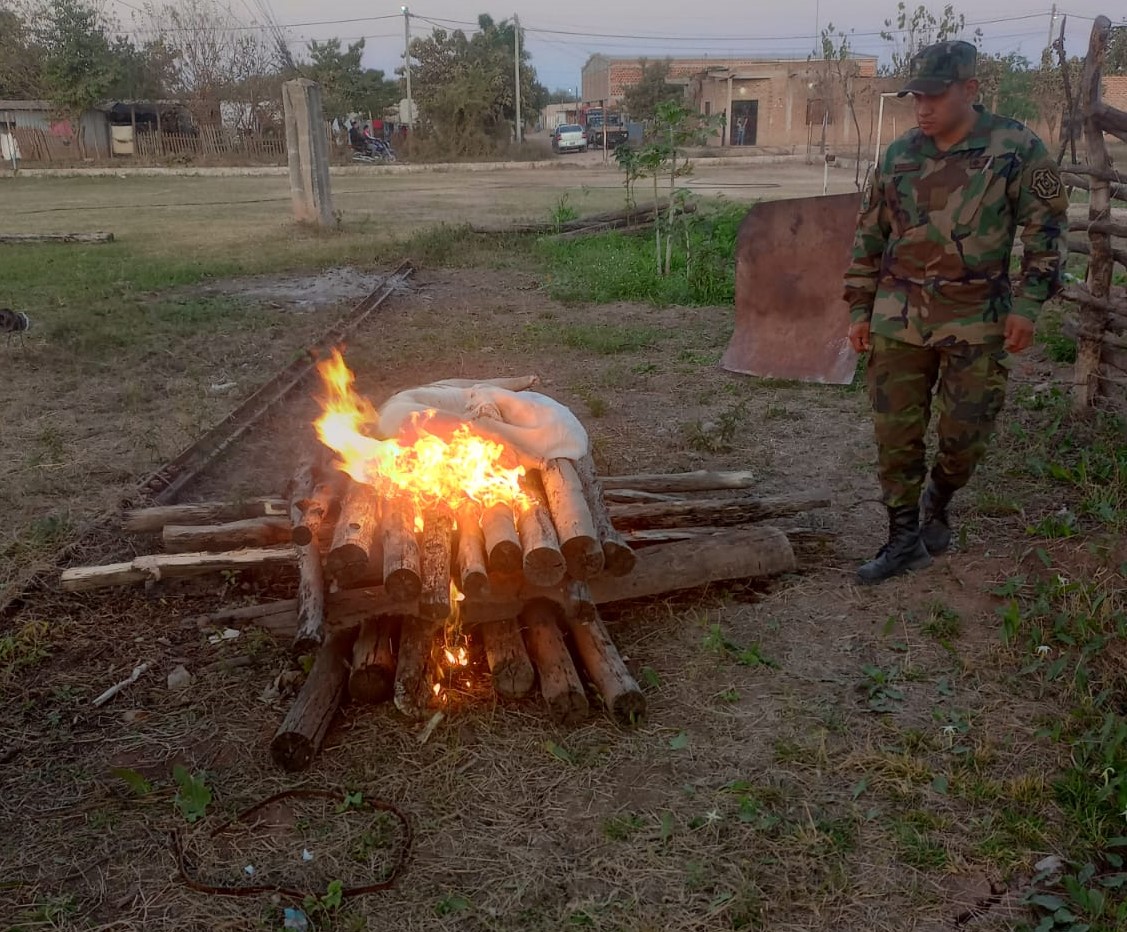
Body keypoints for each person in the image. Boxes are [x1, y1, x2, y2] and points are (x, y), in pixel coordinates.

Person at [842, 40, 1068, 585]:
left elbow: (1046, 232)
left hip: (977, 317)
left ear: (970, 89)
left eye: (935, 96)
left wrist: (1029, 305)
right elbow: (869, 236)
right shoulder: (898, 157)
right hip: (899, 316)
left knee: (967, 432)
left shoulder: (1017, 148)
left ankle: (938, 500)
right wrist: (858, 307)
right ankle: (902, 539)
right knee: (895, 432)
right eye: (916, 95)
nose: (922, 107)